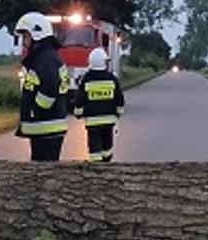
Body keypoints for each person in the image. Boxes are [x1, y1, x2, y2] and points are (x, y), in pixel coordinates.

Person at [14, 12, 69, 161]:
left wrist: (35, 110)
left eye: (26, 36)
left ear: (37, 35)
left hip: (46, 127)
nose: (24, 42)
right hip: (45, 128)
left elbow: (50, 88)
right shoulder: (45, 57)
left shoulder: (46, 59)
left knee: (44, 173)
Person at [72, 47, 125, 163]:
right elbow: (119, 98)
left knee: (94, 148)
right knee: (107, 146)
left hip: (92, 123)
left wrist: (78, 113)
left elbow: (79, 99)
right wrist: (119, 112)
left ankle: (96, 169)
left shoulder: (86, 79)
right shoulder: (112, 78)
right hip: (109, 121)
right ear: (103, 62)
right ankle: (107, 163)